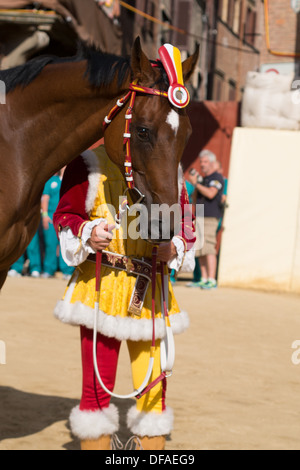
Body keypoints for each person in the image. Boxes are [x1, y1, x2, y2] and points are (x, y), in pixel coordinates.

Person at [52, 146, 195, 450]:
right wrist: (87, 233)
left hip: (152, 293)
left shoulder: (171, 167)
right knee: (95, 390)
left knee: (154, 389)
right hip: (100, 290)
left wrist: (175, 248)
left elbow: (186, 226)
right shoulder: (88, 164)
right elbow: (66, 215)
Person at [189, 149, 224, 289]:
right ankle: (203, 278)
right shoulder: (204, 179)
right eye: (201, 161)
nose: (202, 164)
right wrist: (197, 183)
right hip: (200, 216)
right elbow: (196, 198)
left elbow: (211, 193)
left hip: (210, 217)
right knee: (200, 248)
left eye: (205, 162)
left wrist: (196, 184)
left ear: (212, 163)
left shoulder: (216, 178)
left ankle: (211, 279)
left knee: (209, 247)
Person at [41, 170, 74, 280]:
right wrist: (45, 215)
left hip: (66, 218)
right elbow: (45, 198)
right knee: (51, 244)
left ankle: (67, 271)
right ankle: (48, 269)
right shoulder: (52, 181)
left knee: (66, 244)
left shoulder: (70, 181)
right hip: (51, 217)